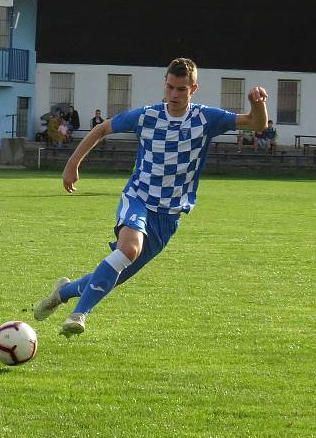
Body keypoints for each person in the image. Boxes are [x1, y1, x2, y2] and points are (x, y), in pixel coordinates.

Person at [33, 58, 268, 338]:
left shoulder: (206, 118)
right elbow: (102, 129)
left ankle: (62, 293)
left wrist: (257, 103)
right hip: (139, 198)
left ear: (194, 88)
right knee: (129, 251)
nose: (174, 94)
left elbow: (256, 124)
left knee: (117, 272)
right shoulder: (147, 116)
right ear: (165, 85)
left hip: (169, 216)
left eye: (181, 89)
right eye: (170, 87)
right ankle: (79, 315)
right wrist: (73, 164)